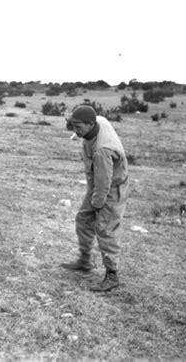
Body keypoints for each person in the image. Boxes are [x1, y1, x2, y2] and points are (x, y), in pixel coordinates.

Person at [62, 105, 129, 292]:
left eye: (79, 127)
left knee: (105, 229)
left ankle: (112, 275)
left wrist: (97, 205)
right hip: (98, 185)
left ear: (91, 124)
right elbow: (97, 185)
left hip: (112, 189)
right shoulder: (98, 121)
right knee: (83, 219)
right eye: (73, 125)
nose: (76, 130)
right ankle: (84, 261)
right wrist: (79, 132)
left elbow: (103, 185)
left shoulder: (102, 151)